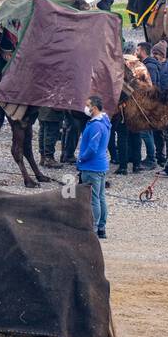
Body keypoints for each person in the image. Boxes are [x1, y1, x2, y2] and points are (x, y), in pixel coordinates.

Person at [77, 96, 111, 239]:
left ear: (94, 108)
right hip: (101, 166)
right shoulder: (104, 121)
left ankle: (94, 228)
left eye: (87, 105)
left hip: (92, 167)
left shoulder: (96, 125)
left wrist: (81, 158)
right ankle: (101, 227)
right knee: (101, 197)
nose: (86, 107)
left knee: (94, 199)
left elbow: (92, 148)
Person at [133, 41, 157, 169]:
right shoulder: (149, 65)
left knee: (145, 132)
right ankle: (151, 157)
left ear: (143, 51)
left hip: (147, 104)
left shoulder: (149, 67)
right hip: (148, 103)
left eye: (137, 50)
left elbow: (149, 87)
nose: (136, 53)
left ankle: (151, 159)